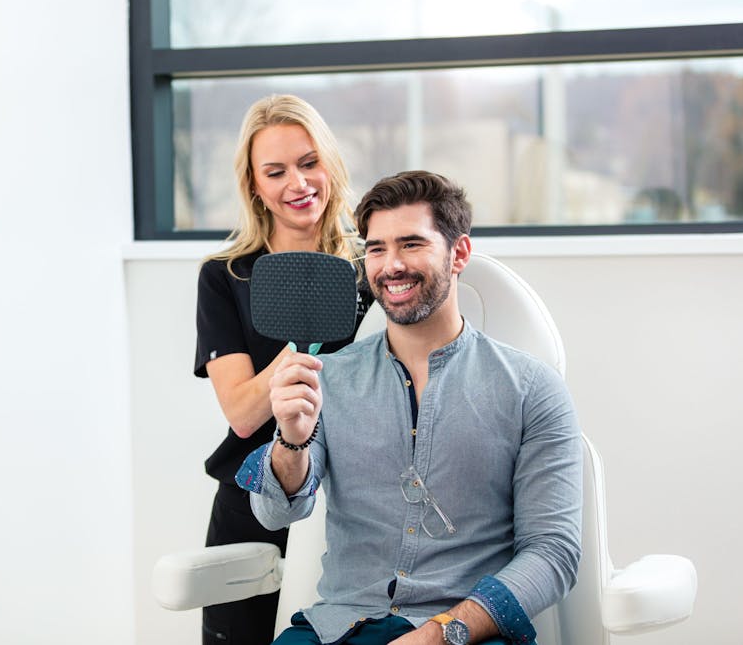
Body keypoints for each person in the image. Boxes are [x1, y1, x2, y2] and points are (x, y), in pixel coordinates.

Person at [235, 170, 582, 645]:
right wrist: (291, 441)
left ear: (459, 253)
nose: (390, 265)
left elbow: (553, 552)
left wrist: (440, 634)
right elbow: (275, 514)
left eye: (411, 244)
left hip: (466, 633)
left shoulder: (532, 389)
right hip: (335, 628)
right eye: (376, 248)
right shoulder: (328, 378)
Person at [194, 94, 375, 645]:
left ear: (330, 164)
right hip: (249, 508)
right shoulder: (224, 277)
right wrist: (302, 333)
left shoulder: (371, 270)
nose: (298, 183)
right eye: (276, 171)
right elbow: (244, 417)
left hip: (350, 509)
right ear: (254, 185)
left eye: (309, 162)